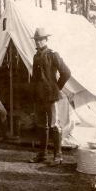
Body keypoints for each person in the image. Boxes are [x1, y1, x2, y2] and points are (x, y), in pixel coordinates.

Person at [29, 28, 72, 166]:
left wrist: (56, 88)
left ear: (46, 40)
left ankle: (58, 156)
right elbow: (35, 78)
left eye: (41, 39)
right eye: (37, 40)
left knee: (54, 125)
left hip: (51, 97)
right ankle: (42, 154)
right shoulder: (36, 56)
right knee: (42, 125)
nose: (39, 42)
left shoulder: (53, 55)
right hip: (39, 97)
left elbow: (66, 72)